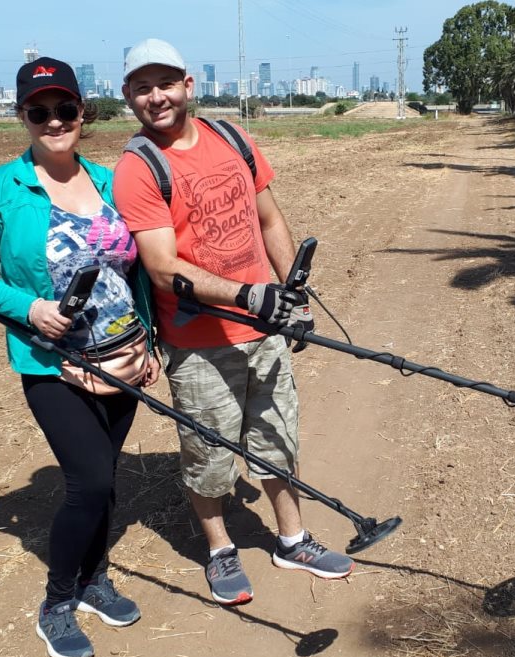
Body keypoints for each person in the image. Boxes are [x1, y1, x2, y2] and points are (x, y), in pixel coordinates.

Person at [113, 38, 354, 607]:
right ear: (128, 96)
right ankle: (220, 549)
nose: (157, 97)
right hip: (198, 344)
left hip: (264, 329)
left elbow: (268, 218)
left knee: (277, 439)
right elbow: (164, 269)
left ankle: (292, 540)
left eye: (165, 83)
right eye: (143, 87)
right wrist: (251, 295)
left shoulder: (232, 137)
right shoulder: (137, 168)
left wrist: (292, 293)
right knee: (210, 456)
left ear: (188, 85)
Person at [0, 57, 159, 657]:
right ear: (23, 117)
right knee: (87, 482)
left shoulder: (110, 179)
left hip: (121, 355)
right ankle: (58, 602)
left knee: (106, 481)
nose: (54, 120)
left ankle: (95, 579)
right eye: (39, 111)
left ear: (81, 112)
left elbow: (136, 269)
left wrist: (148, 340)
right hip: (52, 363)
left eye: (64, 108)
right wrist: (31, 307)